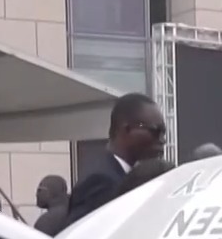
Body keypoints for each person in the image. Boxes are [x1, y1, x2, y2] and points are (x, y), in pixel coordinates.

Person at [64, 93, 166, 228]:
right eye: (155, 131)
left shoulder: (120, 174)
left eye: (163, 133)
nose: (162, 140)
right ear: (127, 129)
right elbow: (80, 234)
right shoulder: (100, 180)